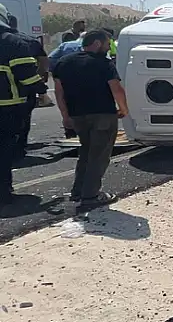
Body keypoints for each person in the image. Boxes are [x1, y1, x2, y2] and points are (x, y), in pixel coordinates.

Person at [52, 30, 128, 209]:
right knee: (99, 156)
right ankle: (91, 195)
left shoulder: (64, 62)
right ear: (96, 43)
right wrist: (124, 109)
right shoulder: (104, 64)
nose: (109, 47)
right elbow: (116, 88)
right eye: (107, 43)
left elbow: (59, 93)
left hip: (78, 116)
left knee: (85, 153)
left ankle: (78, 191)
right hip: (103, 115)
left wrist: (65, 117)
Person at [0, 4, 47, 205]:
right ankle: (3, 193)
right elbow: (27, 77)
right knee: (4, 150)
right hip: (8, 106)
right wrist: (42, 90)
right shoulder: (13, 42)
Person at [7, 15, 48, 157]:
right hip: (25, 89)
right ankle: (19, 148)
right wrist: (40, 80)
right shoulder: (28, 40)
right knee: (24, 119)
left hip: (6, 90)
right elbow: (43, 60)